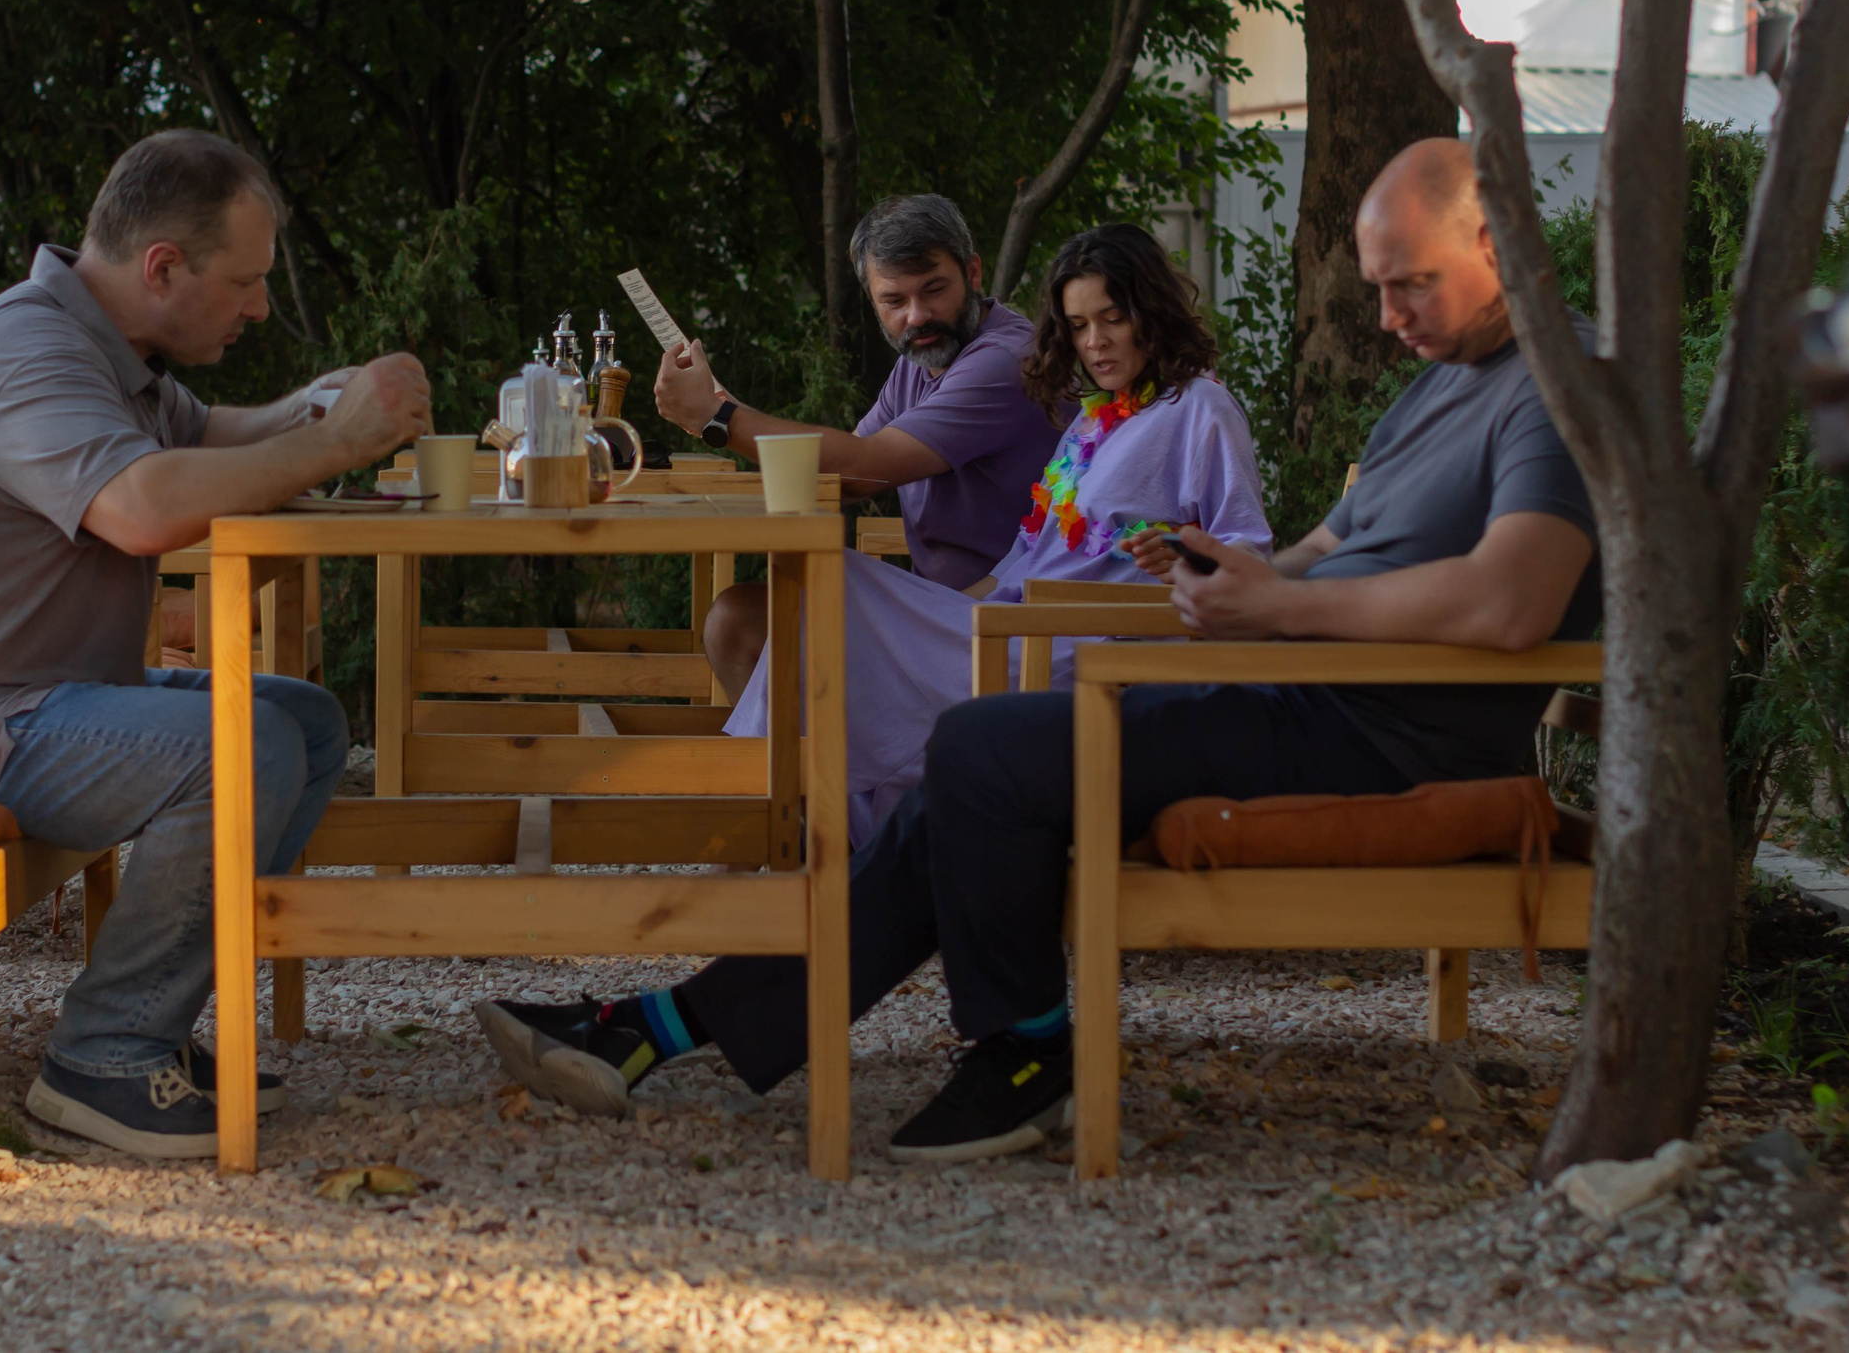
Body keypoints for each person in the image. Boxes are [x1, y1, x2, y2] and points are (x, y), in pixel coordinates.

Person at [475, 137, 1602, 1164]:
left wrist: (1284, 612)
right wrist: (1248, 577)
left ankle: (1024, 1049)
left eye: (1413, 281)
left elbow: (1511, 603)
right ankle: (663, 1028)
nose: (1391, 312)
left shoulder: (1557, 389)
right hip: (1298, 685)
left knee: (980, 753)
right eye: (1378, 289)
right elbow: (1320, 544)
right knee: (963, 778)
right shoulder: (1440, 386)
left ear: (1496, 244)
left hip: (1367, 726)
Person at [0, 130, 432, 1160]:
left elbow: (215, 439)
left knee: (302, 718)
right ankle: (104, 1059)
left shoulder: (122, 358)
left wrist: (315, 407)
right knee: (238, 746)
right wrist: (338, 443)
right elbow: (142, 508)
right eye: (244, 282)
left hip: (45, 696)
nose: (258, 306)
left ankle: (151, 1021)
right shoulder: (26, 352)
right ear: (162, 267)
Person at [721, 223, 1272, 842]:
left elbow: (1250, 549)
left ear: (1154, 311)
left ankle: (753, 822)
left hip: (1074, 651)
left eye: (1113, 319)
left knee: (836, 584)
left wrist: (1186, 556)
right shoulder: (1094, 421)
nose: (1096, 344)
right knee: (820, 590)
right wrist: (940, 616)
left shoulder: (1199, 408)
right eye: (1078, 325)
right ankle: (800, 828)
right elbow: (1020, 559)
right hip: (1008, 626)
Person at [654, 193, 1061, 695]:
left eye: (933, 290)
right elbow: (844, 477)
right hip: (943, 614)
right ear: (872, 300)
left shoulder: (1004, 361)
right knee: (742, 618)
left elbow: (865, 466)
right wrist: (718, 404)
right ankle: (816, 770)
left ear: (973, 274)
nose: (916, 316)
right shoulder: (922, 361)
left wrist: (719, 419)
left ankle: (813, 772)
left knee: (740, 621)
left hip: (1007, 624)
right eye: (894, 301)